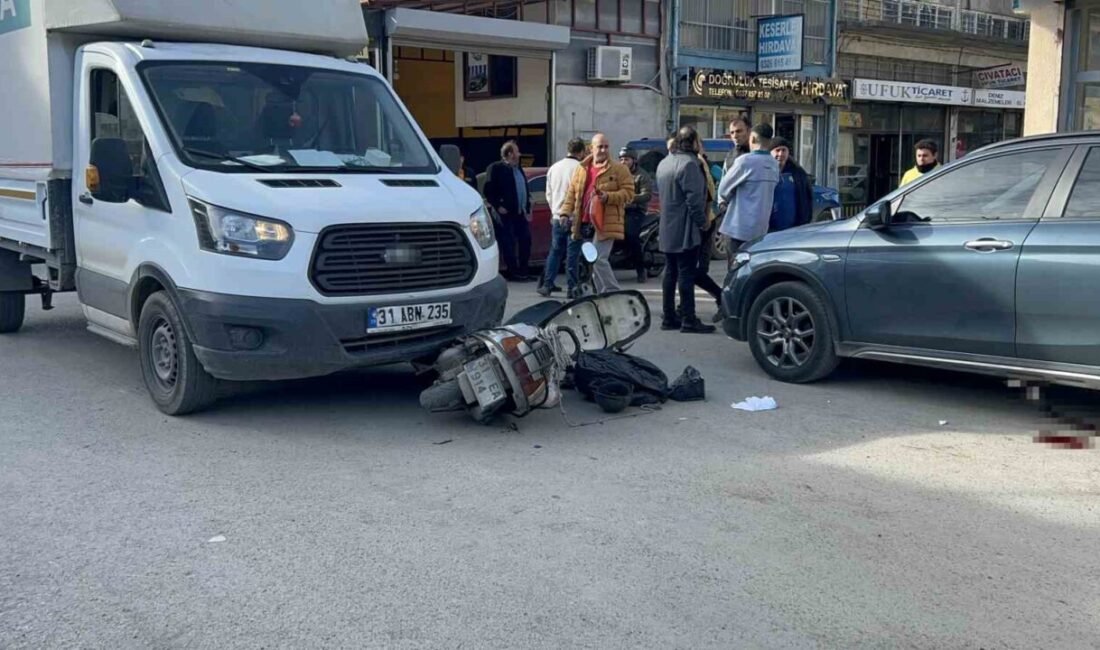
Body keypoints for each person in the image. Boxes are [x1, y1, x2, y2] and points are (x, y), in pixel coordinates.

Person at [656, 126, 715, 334]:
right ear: (694, 142)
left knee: (670, 273)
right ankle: (689, 319)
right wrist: (703, 223)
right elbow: (694, 201)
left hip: (667, 227)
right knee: (686, 274)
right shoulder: (690, 164)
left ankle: (669, 316)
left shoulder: (664, 163)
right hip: (685, 229)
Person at [559, 133, 634, 295]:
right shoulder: (581, 169)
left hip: (606, 221)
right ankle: (602, 294)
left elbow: (629, 193)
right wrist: (564, 213)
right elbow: (571, 194)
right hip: (585, 223)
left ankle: (613, 292)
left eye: (606, 146)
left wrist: (608, 197)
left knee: (599, 258)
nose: (604, 150)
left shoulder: (619, 169)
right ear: (591, 149)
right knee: (591, 261)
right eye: (600, 147)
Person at [718, 123, 780, 266]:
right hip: (760, 230)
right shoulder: (774, 164)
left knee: (735, 271)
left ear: (752, 139)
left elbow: (723, 190)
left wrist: (725, 201)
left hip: (737, 229)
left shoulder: (745, 161)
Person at [538, 138, 586, 298]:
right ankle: (572, 287)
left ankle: (547, 284)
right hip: (574, 217)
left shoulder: (554, 168)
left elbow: (549, 193)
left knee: (555, 251)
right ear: (581, 152)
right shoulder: (581, 168)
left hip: (558, 216)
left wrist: (554, 211)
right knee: (573, 254)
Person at [484, 141, 533, 282]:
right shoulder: (496, 168)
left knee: (526, 240)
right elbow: (488, 190)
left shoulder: (518, 169)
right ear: (510, 153)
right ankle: (513, 272)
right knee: (508, 243)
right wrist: (498, 205)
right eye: (517, 151)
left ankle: (524, 271)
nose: (519, 154)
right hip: (504, 214)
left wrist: (527, 207)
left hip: (520, 213)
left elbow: (523, 188)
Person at [618, 147, 653, 284]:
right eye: (621, 159)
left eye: (626, 159)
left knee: (631, 235)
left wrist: (631, 198)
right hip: (618, 210)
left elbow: (646, 194)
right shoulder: (617, 174)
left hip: (635, 211)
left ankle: (640, 269)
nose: (623, 162)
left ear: (634, 160)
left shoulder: (641, 175)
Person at [768, 137, 814, 232]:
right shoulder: (764, 172)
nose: (781, 154)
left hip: (793, 229)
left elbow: (807, 198)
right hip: (768, 229)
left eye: (784, 150)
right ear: (770, 152)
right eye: (777, 150)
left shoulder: (798, 173)